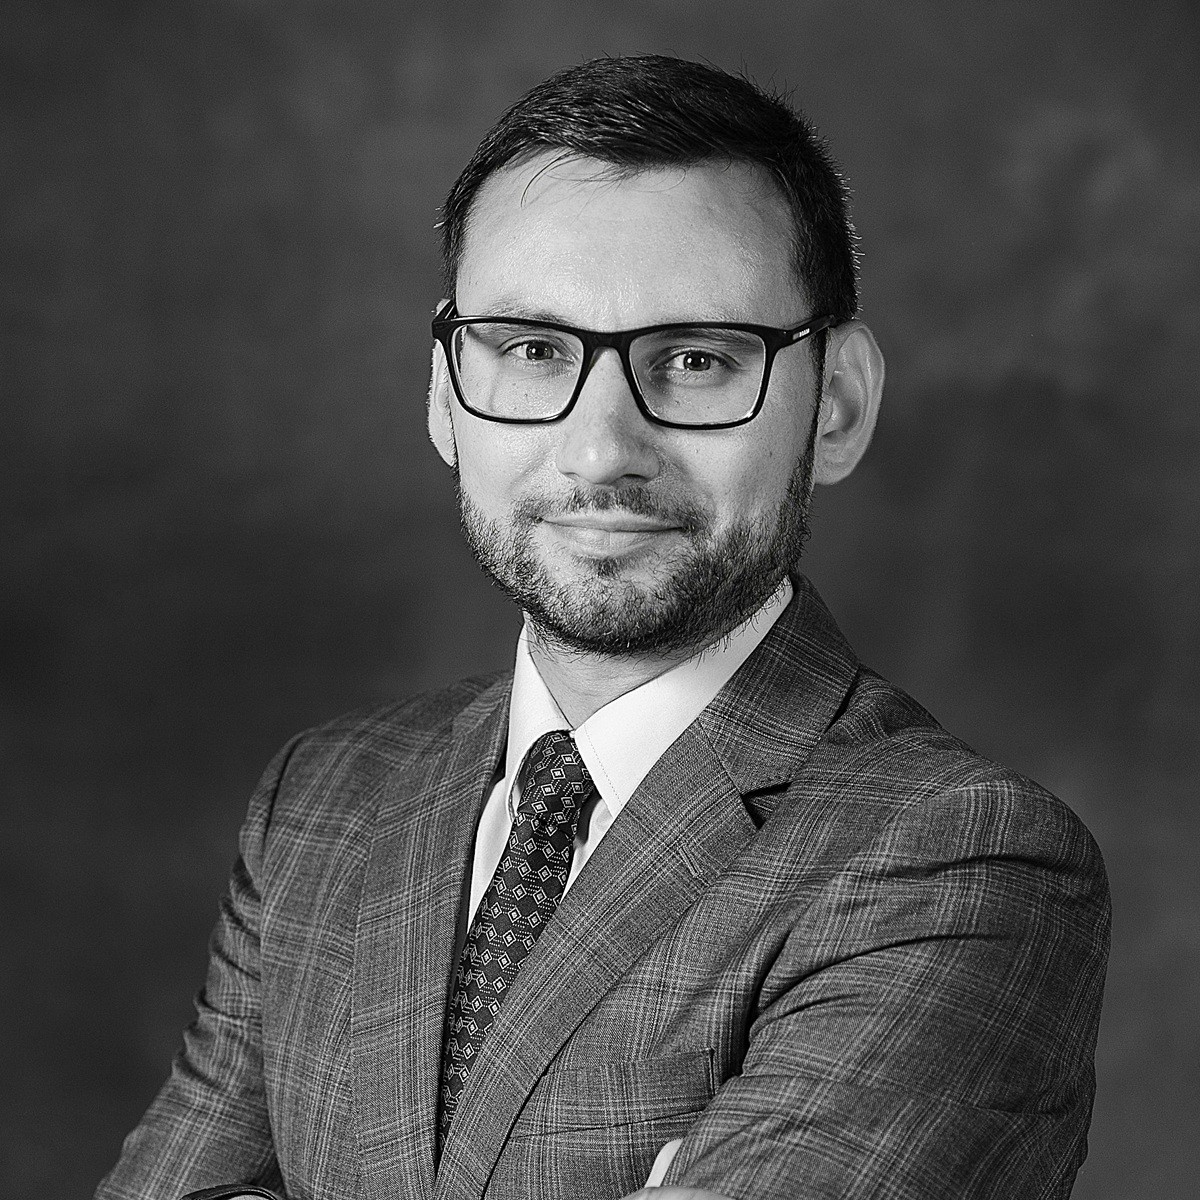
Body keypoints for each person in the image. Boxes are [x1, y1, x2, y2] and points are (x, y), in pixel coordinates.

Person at [97, 54, 1110, 1200]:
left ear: (836, 405)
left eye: (695, 360)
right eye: (533, 351)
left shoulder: (962, 861)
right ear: (444, 391)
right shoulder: (324, 802)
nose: (601, 450)